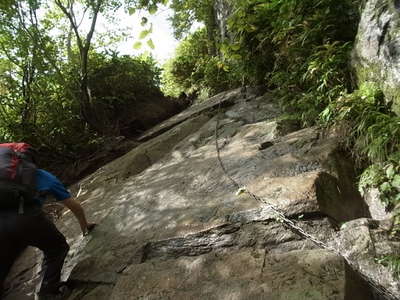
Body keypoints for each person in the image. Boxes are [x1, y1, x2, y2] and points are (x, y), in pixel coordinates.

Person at [0, 169, 96, 300]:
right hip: (25, 218)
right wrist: (85, 225)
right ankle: (48, 291)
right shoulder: (43, 176)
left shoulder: (4, 179)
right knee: (57, 248)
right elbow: (73, 205)